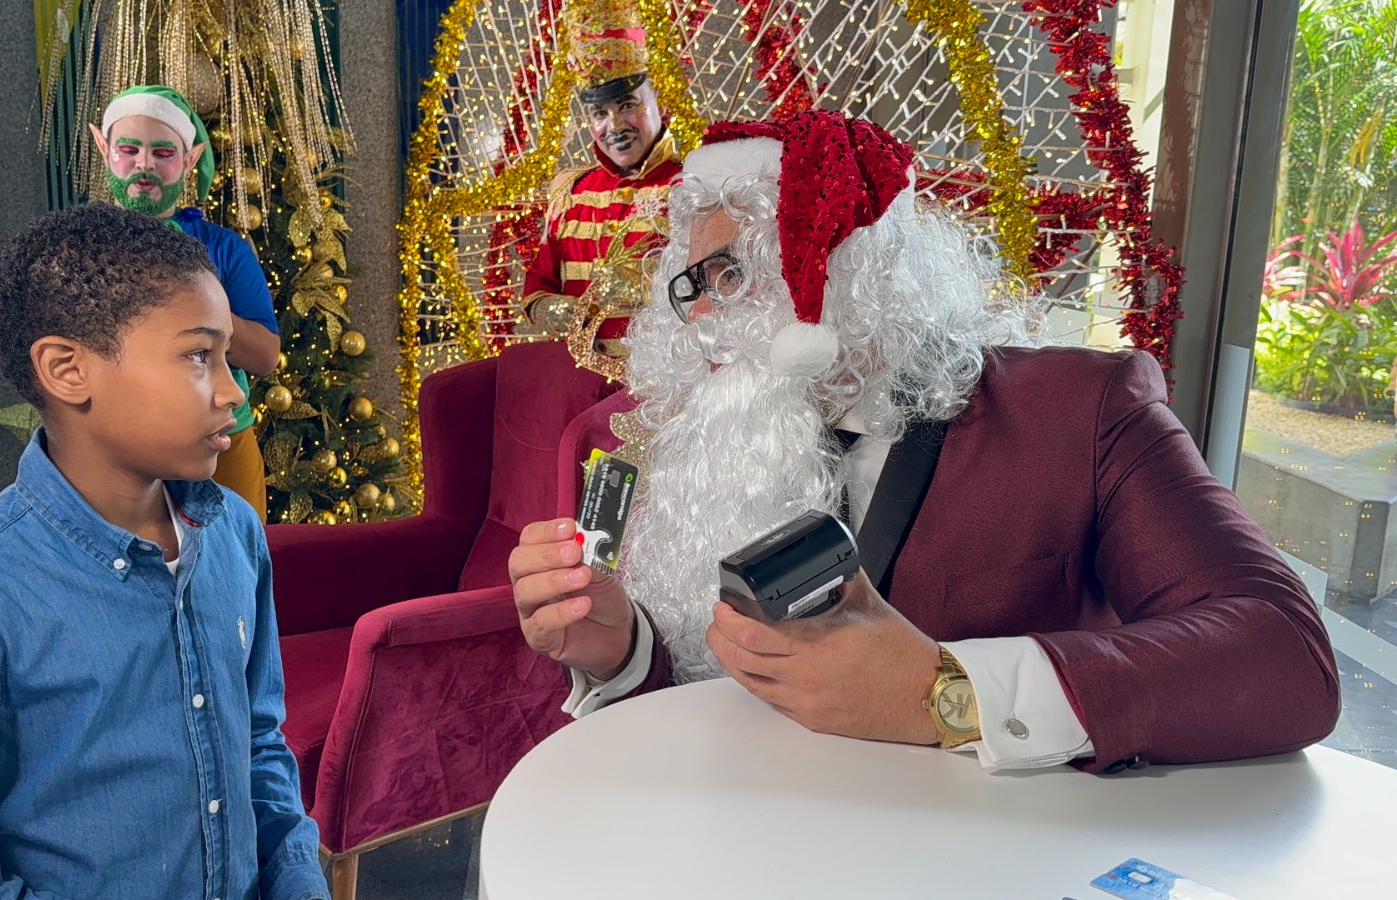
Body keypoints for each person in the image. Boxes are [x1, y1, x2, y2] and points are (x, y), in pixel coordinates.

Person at [509, 109, 1340, 774]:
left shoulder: (1080, 411)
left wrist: (946, 694)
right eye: (690, 284)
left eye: (733, 272)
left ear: (849, 265)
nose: (701, 317)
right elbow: (718, 701)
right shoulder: (715, 437)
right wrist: (624, 651)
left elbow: (1283, 655)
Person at [0, 203, 329, 899]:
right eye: (199, 355)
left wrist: (296, 882)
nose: (233, 391)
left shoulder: (233, 533)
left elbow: (259, 743)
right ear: (67, 369)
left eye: (227, 355)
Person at [93, 83, 280, 520]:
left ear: (190, 159)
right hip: (118, 444)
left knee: (236, 552)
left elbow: (265, 356)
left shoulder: (224, 249)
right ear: (104, 149)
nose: (144, 164)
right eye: (128, 149)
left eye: (163, 152)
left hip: (222, 439)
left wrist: (198, 311)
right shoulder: (82, 247)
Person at [520, 2, 681, 378]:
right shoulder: (570, 192)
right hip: (578, 382)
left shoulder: (693, 186)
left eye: (627, 105)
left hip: (665, 384)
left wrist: (643, 289)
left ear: (658, 99)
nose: (616, 126)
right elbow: (537, 286)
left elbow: (720, 292)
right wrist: (557, 312)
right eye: (600, 113)